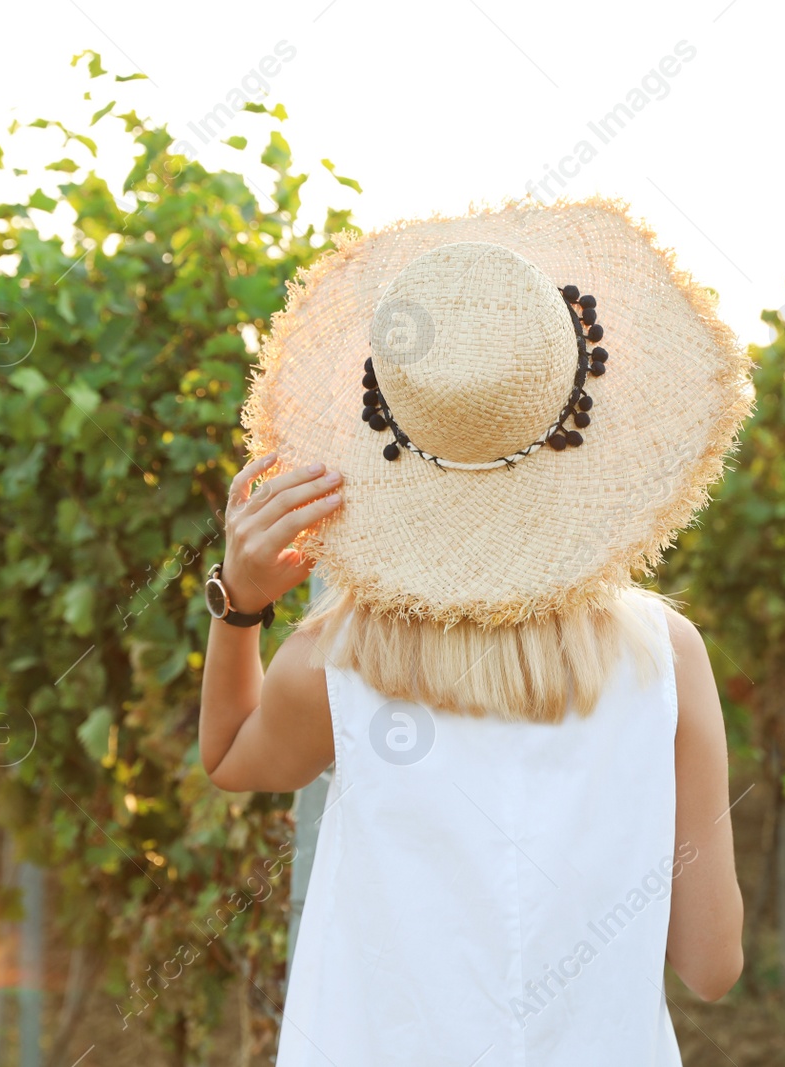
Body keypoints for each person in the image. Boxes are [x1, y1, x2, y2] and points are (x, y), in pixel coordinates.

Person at [197, 201, 752, 1066]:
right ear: (580, 409)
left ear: (391, 426)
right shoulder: (667, 657)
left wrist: (239, 605)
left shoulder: (339, 662)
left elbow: (230, 755)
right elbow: (712, 965)